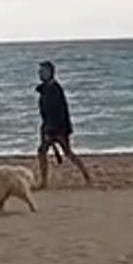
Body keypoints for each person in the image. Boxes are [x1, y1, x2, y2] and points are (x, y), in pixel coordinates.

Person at [36, 60, 92, 189]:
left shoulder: (55, 90)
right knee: (42, 152)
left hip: (58, 128)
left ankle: (86, 175)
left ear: (50, 73)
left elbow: (58, 112)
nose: (40, 74)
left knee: (67, 152)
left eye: (43, 71)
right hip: (48, 126)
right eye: (40, 72)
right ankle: (44, 181)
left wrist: (51, 130)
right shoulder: (45, 89)